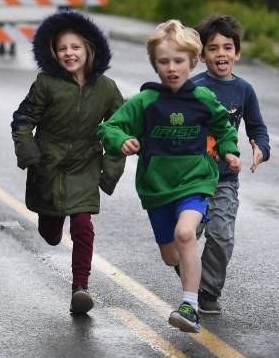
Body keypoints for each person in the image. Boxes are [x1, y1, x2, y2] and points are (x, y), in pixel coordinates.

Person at [99, 20, 240, 333]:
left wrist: (230, 151)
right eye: (164, 62)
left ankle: (189, 306)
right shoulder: (145, 102)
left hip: (196, 181)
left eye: (178, 61)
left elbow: (223, 126)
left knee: (186, 234)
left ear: (192, 62)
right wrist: (121, 141)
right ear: (155, 65)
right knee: (170, 256)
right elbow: (109, 127)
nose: (172, 68)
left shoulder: (202, 98)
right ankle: (191, 273)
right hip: (157, 188)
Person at [10, 12, 125, 314]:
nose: (69, 53)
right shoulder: (46, 84)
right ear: (53, 53)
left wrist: (109, 172)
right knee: (50, 233)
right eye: (62, 48)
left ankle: (80, 288)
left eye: (75, 47)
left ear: (89, 49)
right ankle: (50, 224)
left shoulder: (107, 88)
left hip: (85, 165)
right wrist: (31, 155)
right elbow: (22, 121)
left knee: (83, 226)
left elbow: (121, 129)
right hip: (48, 167)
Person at [190, 14, 270, 315]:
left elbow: (258, 128)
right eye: (212, 48)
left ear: (237, 52)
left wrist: (260, 148)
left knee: (222, 235)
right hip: (191, 178)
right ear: (201, 55)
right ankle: (187, 273)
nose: (220, 53)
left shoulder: (244, 90)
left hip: (225, 178)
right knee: (183, 237)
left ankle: (207, 291)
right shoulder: (193, 88)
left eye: (227, 47)